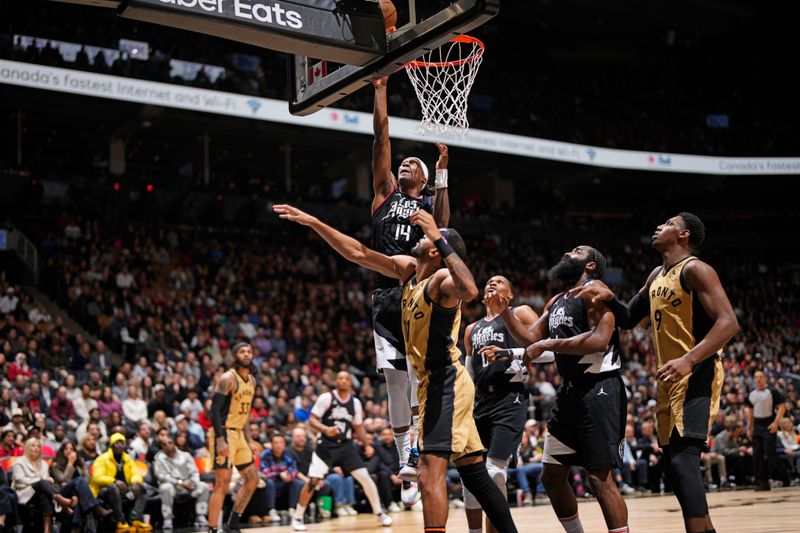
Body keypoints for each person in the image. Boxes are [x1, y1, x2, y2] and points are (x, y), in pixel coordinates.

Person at [274, 204, 517, 533]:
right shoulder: (409, 271)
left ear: (434, 248)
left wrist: (438, 236)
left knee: (430, 472)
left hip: (446, 382)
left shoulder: (441, 280)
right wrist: (315, 221)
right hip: (437, 383)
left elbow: (470, 290)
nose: (418, 236)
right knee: (474, 473)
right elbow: (358, 252)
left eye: (427, 236)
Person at [572, 213, 740, 533]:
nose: (658, 226)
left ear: (684, 235)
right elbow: (627, 318)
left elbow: (728, 322)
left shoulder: (695, 269)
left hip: (697, 370)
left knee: (683, 459)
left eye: (667, 224)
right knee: (673, 464)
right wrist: (610, 298)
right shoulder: (655, 276)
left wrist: (688, 360)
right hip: (670, 377)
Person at [482, 246, 629, 533]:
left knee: (600, 478)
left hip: (599, 388)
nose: (567, 252)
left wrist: (550, 344)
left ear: (590, 266)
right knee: (551, 476)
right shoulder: (557, 300)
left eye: (577, 251)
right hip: (570, 393)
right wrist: (506, 312)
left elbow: (599, 340)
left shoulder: (596, 291)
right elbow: (530, 338)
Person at [371, 75, 451, 505]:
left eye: (412, 164)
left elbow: (445, 223)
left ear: (423, 178)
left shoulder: (426, 206)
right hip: (385, 292)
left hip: (417, 292)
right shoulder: (383, 195)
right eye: (404, 163)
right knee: (393, 379)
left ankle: (417, 452)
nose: (405, 164)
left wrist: (441, 169)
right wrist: (380, 89)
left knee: (418, 377)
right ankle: (405, 458)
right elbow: (381, 139)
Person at [463, 275, 538, 533]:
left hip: (510, 396)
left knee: (495, 469)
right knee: (471, 474)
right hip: (480, 402)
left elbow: (549, 352)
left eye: (501, 281)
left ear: (511, 294)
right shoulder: (471, 329)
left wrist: (510, 353)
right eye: (490, 281)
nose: (493, 283)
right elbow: (468, 375)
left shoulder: (522, 313)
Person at [290, 371, 391, 531]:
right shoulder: (326, 398)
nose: (343, 381)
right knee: (313, 481)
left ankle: (379, 513)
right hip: (326, 446)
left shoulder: (355, 403)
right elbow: (312, 419)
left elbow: (358, 427)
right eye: (340, 378)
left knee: (365, 478)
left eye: (346, 379)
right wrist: (325, 429)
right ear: (336, 381)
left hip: (345, 446)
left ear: (350, 383)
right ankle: (297, 517)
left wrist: (366, 445)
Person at [207, 343, 259, 533]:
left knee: (252, 478)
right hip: (224, 432)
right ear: (235, 356)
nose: (246, 354)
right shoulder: (228, 378)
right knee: (222, 483)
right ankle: (213, 529)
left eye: (249, 352)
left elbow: (244, 415)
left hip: (239, 433)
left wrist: (250, 439)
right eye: (242, 351)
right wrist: (220, 440)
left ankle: (233, 524)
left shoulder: (252, 381)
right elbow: (214, 410)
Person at [89, 432, 152, 533]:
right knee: (113, 488)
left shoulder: (127, 459)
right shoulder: (103, 459)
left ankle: (135, 519)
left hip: (124, 489)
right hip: (104, 490)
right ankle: (120, 520)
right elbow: (96, 478)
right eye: (117, 443)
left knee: (142, 487)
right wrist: (114, 481)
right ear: (112, 445)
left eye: (122, 443)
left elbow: (136, 473)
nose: (119, 445)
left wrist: (135, 482)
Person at [11, 438, 77, 533]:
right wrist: (40, 481)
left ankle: (47, 529)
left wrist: (47, 480)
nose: (36, 448)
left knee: (45, 494)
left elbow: (45, 484)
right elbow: (19, 478)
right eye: (33, 446)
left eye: (38, 446)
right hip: (25, 493)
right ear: (27, 448)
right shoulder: (19, 461)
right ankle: (62, 502)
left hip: (41, 494)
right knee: (42, 483)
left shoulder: (43, 464)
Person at [50, 440, 114, 532]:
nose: (69, 451)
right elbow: (63, 480)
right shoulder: (56, 464)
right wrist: (70, 464)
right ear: (62, 451)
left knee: (78, 493)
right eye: (66, 449)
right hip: (62, 494)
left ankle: (76, 526)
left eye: (71, 449)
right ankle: (97, 509)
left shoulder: (79, 463)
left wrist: (83, 466)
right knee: (79, 480)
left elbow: (87, 480)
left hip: (76, 494)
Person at [746, 371, 792, 490]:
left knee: (770, 453)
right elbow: (750, 411)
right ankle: (762, 483)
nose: (758, 379)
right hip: (757, 425)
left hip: (769, 424)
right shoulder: (751, 394)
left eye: (761, 377)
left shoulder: (771, 392)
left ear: (765, 379)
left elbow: (782, 406)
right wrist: (749, 427)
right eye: (756, 377)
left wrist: (776, 422)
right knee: (757, 455)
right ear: (754, 380)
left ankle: (785, 477)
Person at [154, 436, 210, 530]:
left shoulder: (186, 455)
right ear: (161, 447)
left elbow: (194, 472)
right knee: (165, 487)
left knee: (203, 486)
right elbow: (162, 476)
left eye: (170, 442)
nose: (168, 445)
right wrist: (179, 482)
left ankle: (200, 516)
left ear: (174, 443)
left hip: (188, 486)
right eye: (164, 444)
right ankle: (168, 519)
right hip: (173, 487)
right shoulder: (159, 458)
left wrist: (193, 483)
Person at [257, 433, 304, 522]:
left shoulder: (289, 454)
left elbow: (294, 470)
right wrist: (279, 475)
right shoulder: (264, 455)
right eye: (276, 443)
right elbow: (265, 473)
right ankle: (271, 510)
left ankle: (292, 509)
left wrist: (289, 475)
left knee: (297, 483)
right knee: (269, 482)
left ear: (284, 444)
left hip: (285, 482)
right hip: (272, 482)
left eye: (281, 442)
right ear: (271, 444)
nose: (279, 445)